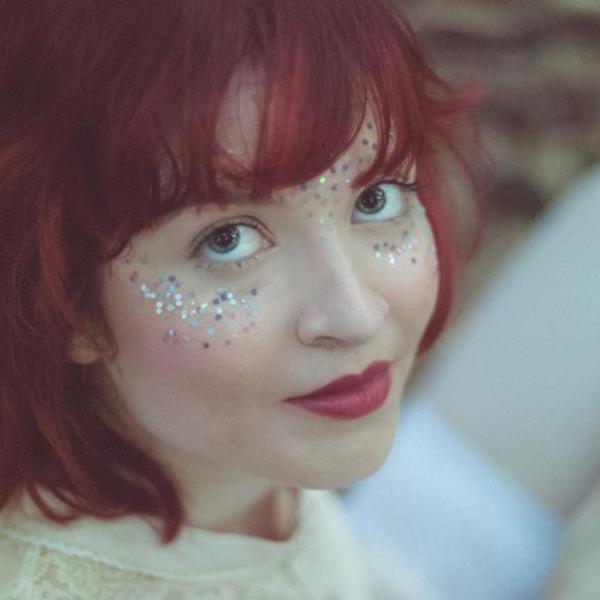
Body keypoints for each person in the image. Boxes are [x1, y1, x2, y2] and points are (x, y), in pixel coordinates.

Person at [0, 0, 479, 597]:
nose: (355, 315)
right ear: (61, 297)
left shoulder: (240, 467)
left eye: (376, 198)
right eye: (228, 240)